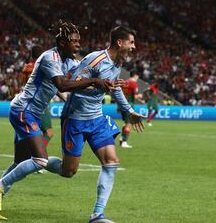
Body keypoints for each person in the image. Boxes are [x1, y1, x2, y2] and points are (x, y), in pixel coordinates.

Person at [0, 20, 114, 220]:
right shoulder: (50, 57)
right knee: (40, 160)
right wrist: (94, 81)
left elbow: (76, 83)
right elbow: (62, 84)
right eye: (74, 41)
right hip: (24, 111)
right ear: (62, 42)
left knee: (20, 162)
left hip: (32, 112)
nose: (78, 45)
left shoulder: (69, 61)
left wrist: (102, 84)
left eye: (79, 41)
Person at [45, 26, 146, 223]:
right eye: (131, 42)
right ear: (120, 42)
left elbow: (114, 89)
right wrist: (97, 84)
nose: (134, 46)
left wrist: (128, 110)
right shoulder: (95, 59)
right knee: (68, 171)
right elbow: (71, 85)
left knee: (111, 162)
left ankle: (97, 215)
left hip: (97, 119)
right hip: (75, 118)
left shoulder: (118, 62)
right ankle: (38, 161)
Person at [118, 70, 141, 148]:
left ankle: (121, 138)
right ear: (135, 75)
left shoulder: (124, 82)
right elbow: (135, 97)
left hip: (122, 105)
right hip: (129, 105)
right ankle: (124, 142)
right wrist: (140, 96)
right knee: (129, 123)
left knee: (126, 122)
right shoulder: (134, 84)